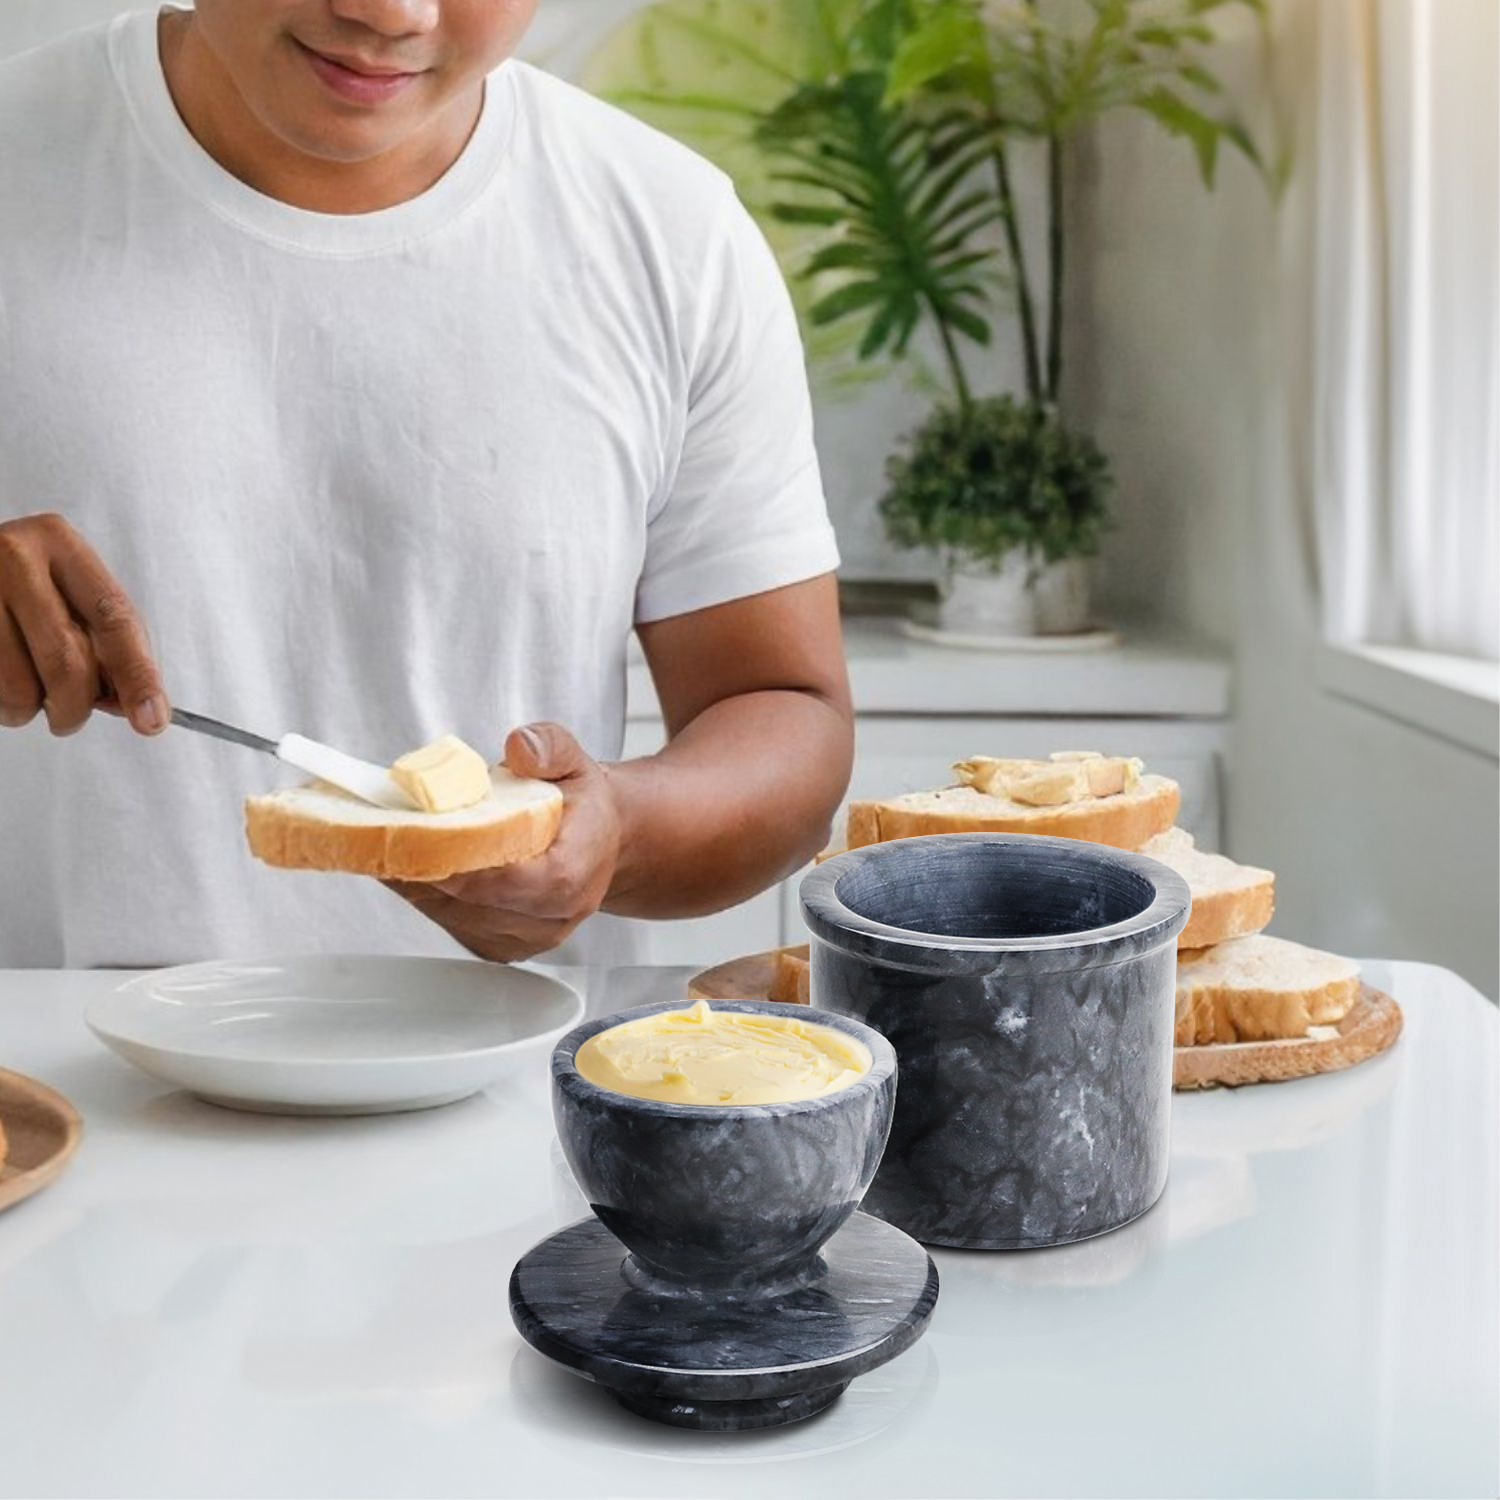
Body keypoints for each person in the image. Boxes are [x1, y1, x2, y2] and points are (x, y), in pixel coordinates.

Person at [0, 0, 853, 968]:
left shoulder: (671, 236)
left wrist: (619, 833)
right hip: (45, 1102)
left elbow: (785, 713)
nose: (391, 13)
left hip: (517, 1106)